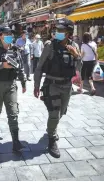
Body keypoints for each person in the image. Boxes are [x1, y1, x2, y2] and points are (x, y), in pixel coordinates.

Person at [34, 18, 80, 158]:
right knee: (54, 113)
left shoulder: (74, 46)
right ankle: (52, 140)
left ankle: (51, 130)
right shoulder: (50, 45)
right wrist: (36, 85)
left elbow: (79, 69)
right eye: (57, 30)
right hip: (52, 84)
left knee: (61, 112)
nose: (58, 32)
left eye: (61, 30)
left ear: (69, 33)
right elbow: (39, 67)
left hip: (67, 86)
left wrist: (76, 56)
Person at [0, 26, 27, 152]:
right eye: (6, 34)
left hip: (11, 85)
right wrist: (2, 65)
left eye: (11, 34)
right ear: (0, 36)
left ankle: (16, 141)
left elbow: (20, 67)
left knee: (13, 113)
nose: (9, 36)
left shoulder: (15, 49)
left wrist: (23, 82)